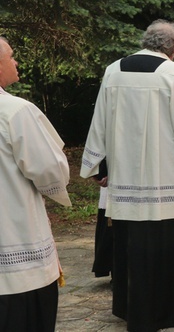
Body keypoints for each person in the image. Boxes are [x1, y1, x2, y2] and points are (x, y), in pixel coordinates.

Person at [81, 20, 174, 331]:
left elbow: (100, 119)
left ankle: (131, 310)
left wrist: (101, 167)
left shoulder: (114, 69)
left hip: (124, 178)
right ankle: (163, 312)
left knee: (129, 245)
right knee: (162, 247)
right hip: (163, 180)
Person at [0, 36, 71, 331]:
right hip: (15, 246)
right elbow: (49, 170)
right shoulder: (15, 111)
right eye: (11, 57)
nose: (16, 62)